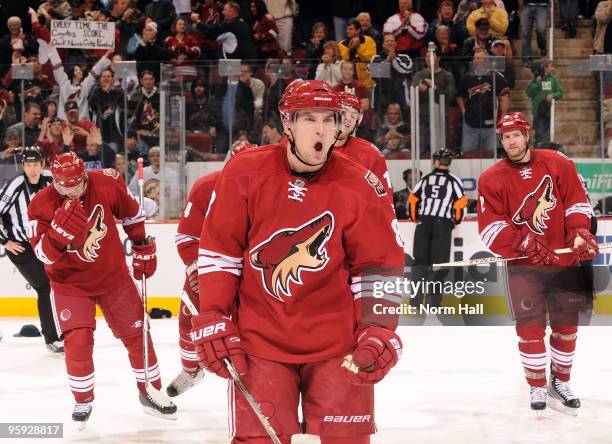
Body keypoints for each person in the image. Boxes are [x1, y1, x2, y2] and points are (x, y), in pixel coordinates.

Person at [189, 80, 405, 443]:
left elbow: (378, 265)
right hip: (259, 343)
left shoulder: (360, 185)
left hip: (339, 345)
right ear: (287, 124)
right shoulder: (244, 173)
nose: (321, 129)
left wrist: (379, 328)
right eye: (309, 119)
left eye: (329, 119)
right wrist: (214, 315)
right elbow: (221, 253)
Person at [27, 152, 177, 424]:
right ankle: (83, 399)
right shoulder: (40, 203)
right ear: (55, 181)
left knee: (137, 334)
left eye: (77, 184)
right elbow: (42, 255)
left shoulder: (106, 183)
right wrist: (57, 237)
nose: (72, 190)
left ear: (84, 175)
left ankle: (150, 390)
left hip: (113, 278)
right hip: (70, 284)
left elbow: (132, 214)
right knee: (78, 342)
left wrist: (142, 244)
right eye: (65, 185)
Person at [477, 112, 598, 413]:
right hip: (524, 267)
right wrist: (524, 242)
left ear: (526, 134)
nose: (511, 141)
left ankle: (561, 380)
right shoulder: (490, 178)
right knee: (529, 327)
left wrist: (580, 232)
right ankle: (536, 386)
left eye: (516, 135)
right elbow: (489, 227)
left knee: (566, 324)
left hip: (563, 261)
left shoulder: (558, 163)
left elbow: (576, 202)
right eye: (506, 137)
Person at [0, 146, 61, 355]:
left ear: (42, 164)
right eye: (28, 165)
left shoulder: (50, 180)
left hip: (43, 243)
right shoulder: (16, 185)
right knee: (45, 286)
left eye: (36, 164)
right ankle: (52, 339)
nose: (33, 169)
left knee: (58, 283)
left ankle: (61, 332)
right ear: (23, 166)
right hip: (20, 247)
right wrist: (4, 241)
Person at [166, 170, 221, 397]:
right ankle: (191, 371)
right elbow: (186, 236)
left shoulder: (271, 187)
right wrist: (196, 265)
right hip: (210, 264)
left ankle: (257, 377)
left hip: (252, 269)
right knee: (188, 319)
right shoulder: (206, 186)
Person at [408, 149, 466, 308]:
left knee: (419, 264)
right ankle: (434, 303)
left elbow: (413, 200)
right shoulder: (454, 181)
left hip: (424, 223)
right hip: (443, 224)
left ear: (436, 162)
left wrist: (415, 219)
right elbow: (460, 204)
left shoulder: (425, 179)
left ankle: (415, 302)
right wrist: (455, 221)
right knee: (439, 265)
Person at [335, 92, 393, 202]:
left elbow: (383, 198)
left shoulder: (370, 154)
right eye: (343, 113)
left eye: (353, 116)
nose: (348, 118)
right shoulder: (310, 150)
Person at [526, 60, 563, 145]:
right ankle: (538, 150)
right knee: (539, 134)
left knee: (547, 135)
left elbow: (560, 92)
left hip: (548, 111)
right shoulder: (535, 79)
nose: (552, 69)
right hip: (538, 112)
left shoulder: (553, 79)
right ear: (545, 68)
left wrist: (553, 95)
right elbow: (528, 92)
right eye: (551, 66)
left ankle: (545, 151)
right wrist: (538, 83)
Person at [337, 19, 377, 91]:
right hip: (347, 83)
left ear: (358, 30)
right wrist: (349, 48)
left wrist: (358, 47)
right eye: (347, 29)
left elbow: (371, 58)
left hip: (366, 83)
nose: (348, 31)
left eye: (351, 29)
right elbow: (343, 60)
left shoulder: (368, 40)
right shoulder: (341, 44)